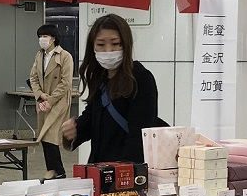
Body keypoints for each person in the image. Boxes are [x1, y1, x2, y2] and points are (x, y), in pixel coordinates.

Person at [62, 13, 160, 163]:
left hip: (125, 172)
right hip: (100, 167)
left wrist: (123, 174)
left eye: (115, 44)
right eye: (101, 44)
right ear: (92, 47)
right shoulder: (100, 77)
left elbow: (139, 134)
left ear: (126, 44)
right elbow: (93, 118)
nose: (108, 51)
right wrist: (75, 129)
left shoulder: (141, 78)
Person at [29, 24, 74, 179]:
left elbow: (66, 82)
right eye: (40, 36)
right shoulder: (39, 56)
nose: (42, 39)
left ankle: (57, 170)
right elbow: (33, 78)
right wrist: (40, 95)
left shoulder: (65, 56)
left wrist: (51, 99)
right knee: (43, 134)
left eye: (45, 36)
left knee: (51, 135)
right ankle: (55, 170)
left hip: (59, 101)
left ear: (53, 38)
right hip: (43, 100)